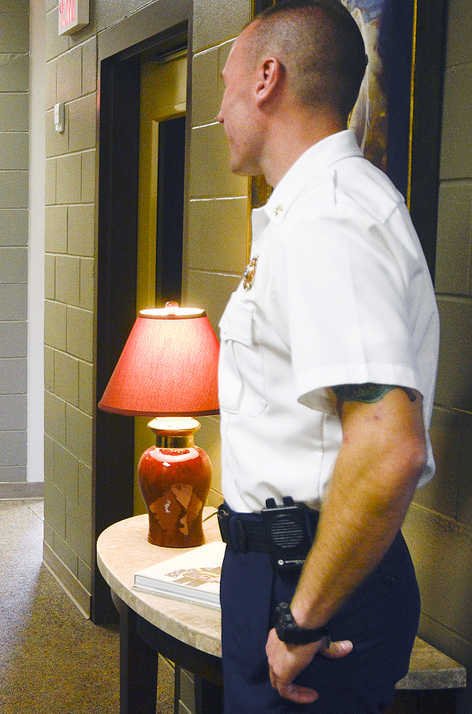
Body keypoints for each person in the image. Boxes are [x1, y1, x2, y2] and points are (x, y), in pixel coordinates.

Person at [215, 2, 439, 711]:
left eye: (225, 83)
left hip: (314, 581)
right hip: (290, 567)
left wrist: (301, 615)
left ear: (266, 79)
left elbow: (388, 447)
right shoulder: (304, 211)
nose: (216, 109)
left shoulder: (330, 217)